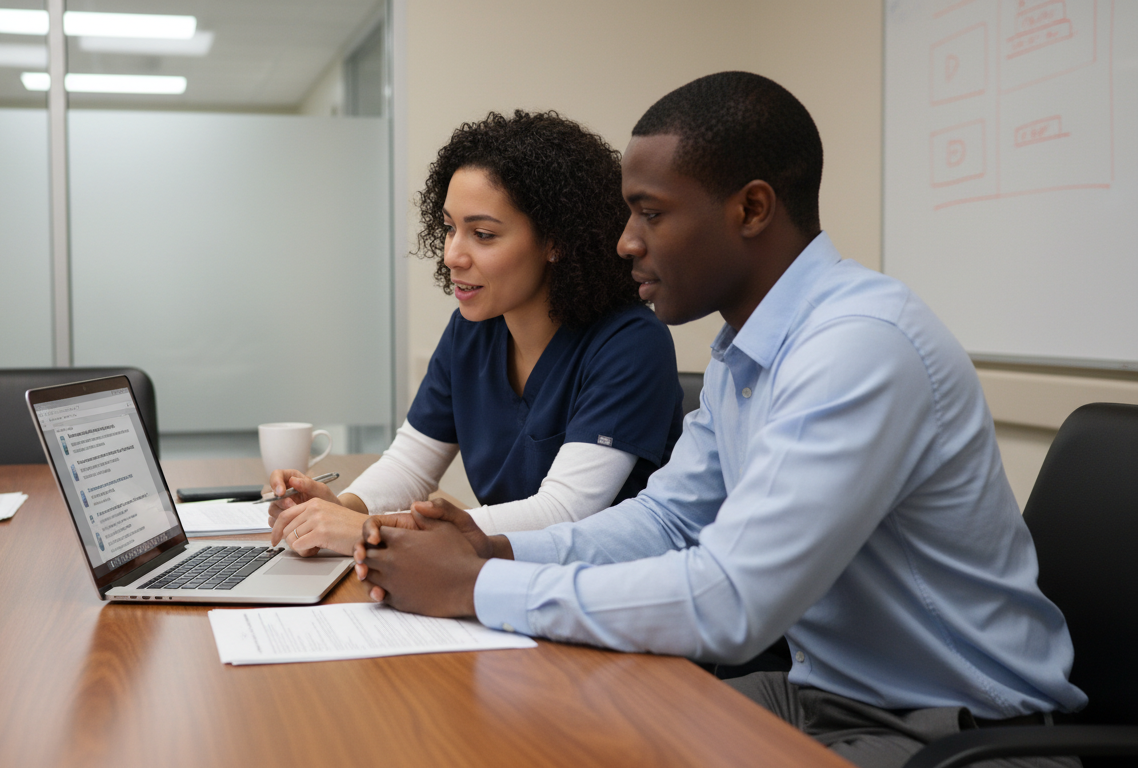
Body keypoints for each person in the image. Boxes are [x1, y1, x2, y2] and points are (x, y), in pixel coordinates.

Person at [353, 73, 1087, 768]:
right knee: (553, 727)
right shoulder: (747, 352)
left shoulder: (858, 347)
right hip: (825, 696)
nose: (625, 241)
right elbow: (668, 521)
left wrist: (475, 584)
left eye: (651, 213)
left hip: (960, 732)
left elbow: (732, 601)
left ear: (751, 209)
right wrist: (493, 548)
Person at [268, 110, 683, 557]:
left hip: (600, 585)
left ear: (556, 242)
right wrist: (342, 507)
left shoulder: (629, 344)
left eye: (482, 234)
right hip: (502, 575)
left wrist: (369, 528)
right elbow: (410, 467)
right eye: (450, 228)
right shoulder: (471, 332)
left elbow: (563, 511)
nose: (452, 255)